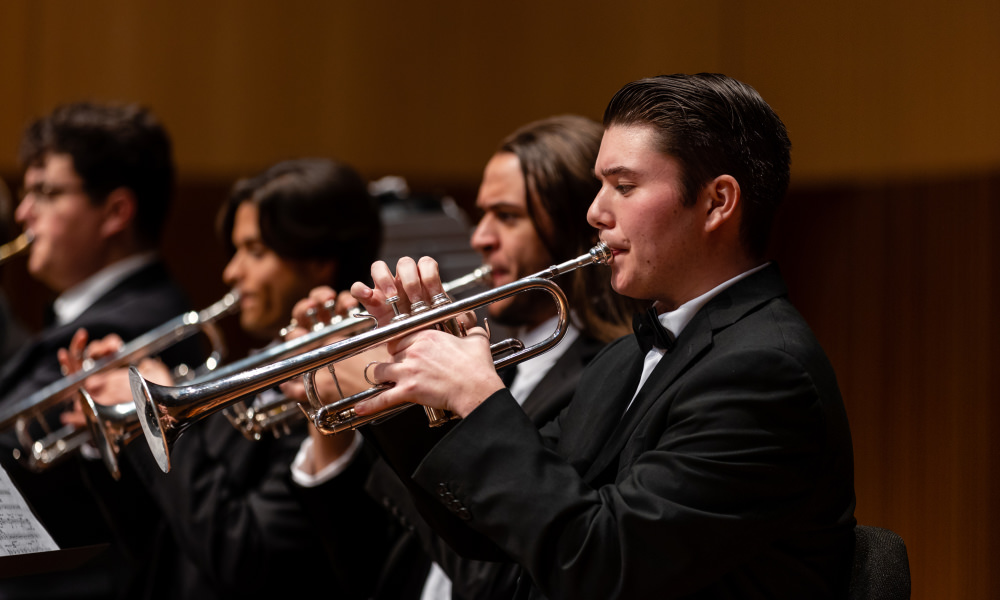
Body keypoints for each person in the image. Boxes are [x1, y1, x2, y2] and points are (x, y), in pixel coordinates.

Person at [348, 74, 857, 599]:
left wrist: (479, 398)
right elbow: (489, 531)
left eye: (625, 186)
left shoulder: (764, 371)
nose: (595, 212)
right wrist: (409, 380)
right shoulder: (624, 359)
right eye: (599, 185)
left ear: (716, 202)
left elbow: (605, 565)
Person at [287, 115, 643, 600]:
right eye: (483, 215)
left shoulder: (606, 376)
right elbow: (369, 563)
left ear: (575, 225)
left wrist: (390, 391)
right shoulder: (502, 361)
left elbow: (495, 570)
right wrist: (328, 407)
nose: (480, 238)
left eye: (508, 216)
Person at [61, 158, 387, 599]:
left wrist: (160, 407)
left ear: (319, 260)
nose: (231, 272)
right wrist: (116, 430)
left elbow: (247, 559)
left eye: (255, 251)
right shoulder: (251, 373)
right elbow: (161, 542)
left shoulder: (334, 391)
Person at [0, 101, 200, 598]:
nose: (23, 214)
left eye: (45, 193)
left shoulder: (131, 323)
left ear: (115, 212)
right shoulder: (90, 315)